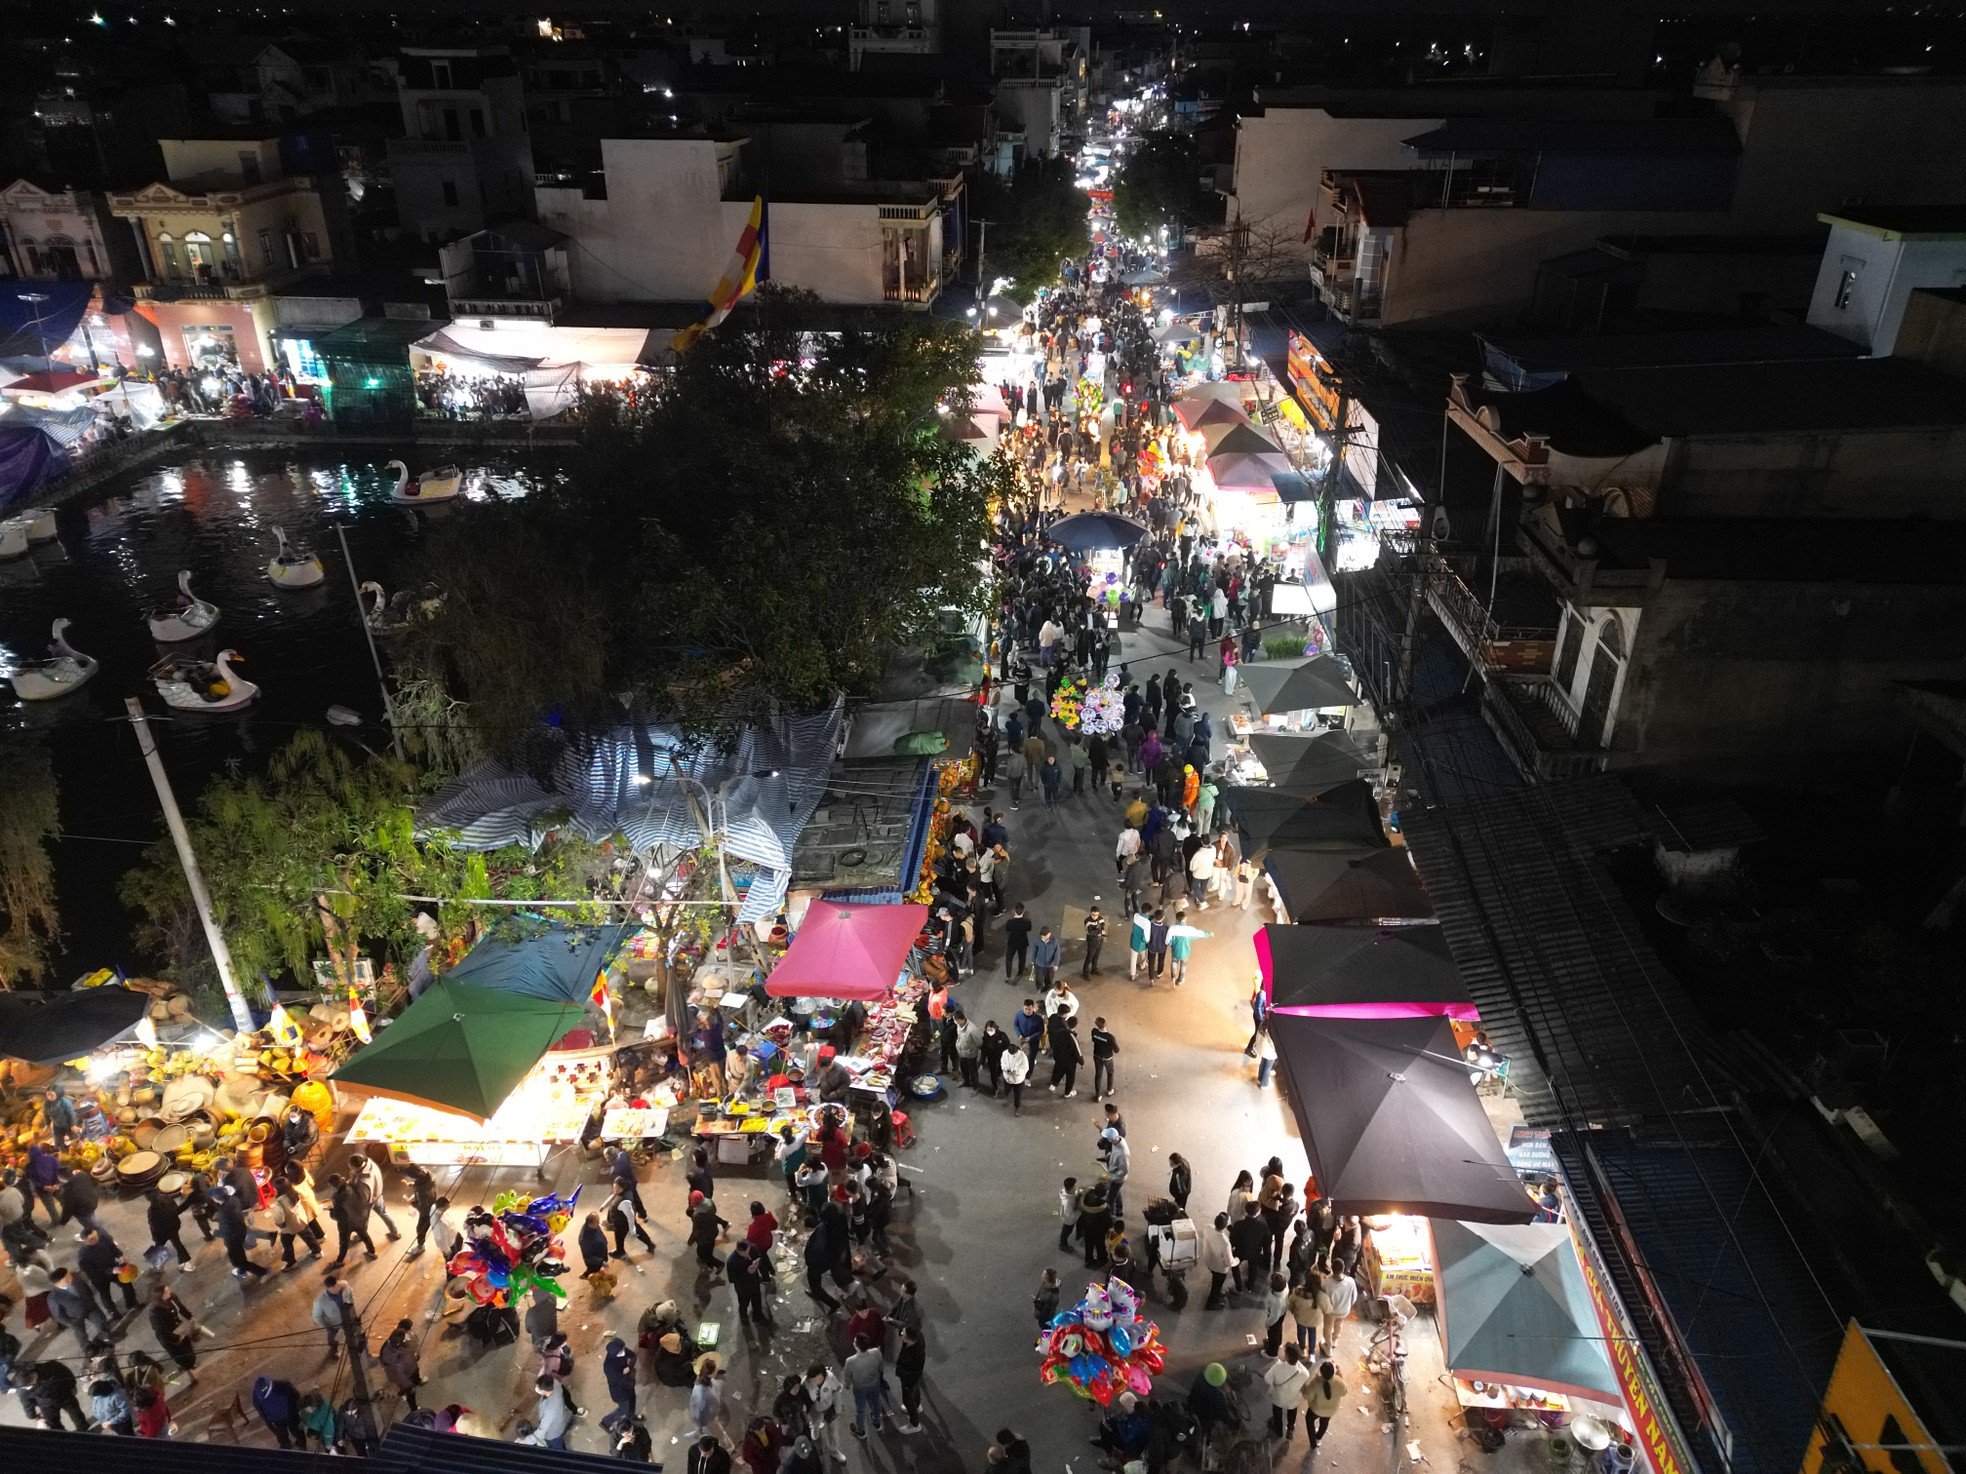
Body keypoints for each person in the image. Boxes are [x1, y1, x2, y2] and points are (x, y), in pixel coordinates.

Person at [46, 1266, 110, 1354]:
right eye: (67, 1277)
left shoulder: (75, 1279)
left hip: (90, 1307)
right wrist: (69, 1322)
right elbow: (57, 1314)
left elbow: (87, 1289)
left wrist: (91, 1301)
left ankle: (106, 1337)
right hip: (74, 1317)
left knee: (100, 1321)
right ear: (59, 1283)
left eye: (69, 1275)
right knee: (80, 1333)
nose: (70, 1277)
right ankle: (87, 1348)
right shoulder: (53, 1297)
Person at [78, 1225, 140, 1313]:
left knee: (127, 1284)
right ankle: (114, 1312)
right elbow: (93, 1272)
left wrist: (120, 1255)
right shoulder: (83, 1256)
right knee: (105, 1295)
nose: (97, 1238)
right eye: (93, 1238)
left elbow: (112, 1247)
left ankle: (131, 1303)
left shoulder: (102, 1238)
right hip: (100, 1278)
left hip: (114, 1268)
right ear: (85, 1241)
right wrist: (111, 1270)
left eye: (96, 1235)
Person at [148, 1283, 202, 1382]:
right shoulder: (155, 1313)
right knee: (181, 1356)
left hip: (179, 1330)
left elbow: (181, 1308)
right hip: (168, 1337)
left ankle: (188, 1365)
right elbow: (161, 1331)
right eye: (166, 1291)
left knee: (188, 1350)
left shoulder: (172, 1298)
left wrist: (190, 1317)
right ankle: (190, 1374)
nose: (170, 1291)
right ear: (161, 1296)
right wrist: (177, 1338)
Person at [324, 1172, 377, 1268]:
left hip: (345, 1223)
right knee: (364, 1235)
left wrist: (330, 1210)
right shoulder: (350, 1186)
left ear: (332, 1185)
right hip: (358, 1217)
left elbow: (336, 1215)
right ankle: (372, 1252)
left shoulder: (337, 1196)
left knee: (344, 1242)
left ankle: (339, 1261)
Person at [18, 1360, 87, 1431]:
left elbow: (67, 1374)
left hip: (65, 1395)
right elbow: (27, 1403)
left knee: (76, 1414)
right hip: (47, 1405)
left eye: (31, 1385)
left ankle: (83, 1429)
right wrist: (32, 1415)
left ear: (31, 1374)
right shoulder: (23, 1390)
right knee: (54, 1424)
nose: (30, 1388)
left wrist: (72, 1386)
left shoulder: (51, 1367)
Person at [843, 1335, 889, 1437]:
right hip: (874, 1384)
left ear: (857, 1346)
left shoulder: (850, 1361)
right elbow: (881, 1366)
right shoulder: (876, 1352)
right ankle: (877, 1422)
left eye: (854, 1342)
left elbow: (847, 1376)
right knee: (876, 1402)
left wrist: (846, 1385)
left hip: (860, 1388)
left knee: (860, 1408)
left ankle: (860, 1430)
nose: (853, 1343)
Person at [348, 1152, 401, 1242]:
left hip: (369, 1201)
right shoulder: (370, 1164)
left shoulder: (363, 1181)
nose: (349, 1167)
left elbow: (363, 1199)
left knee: (363, 1220)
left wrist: (351, 1186)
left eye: (350, 1166)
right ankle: (395, 1232)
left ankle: (362, 1235)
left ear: (356, 1166)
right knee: (384, 1213)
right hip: (378, 1193)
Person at [1264, 1343, 1311, 1442]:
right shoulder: (1305, 1373)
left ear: (1287, 1356)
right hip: (1293, 1400)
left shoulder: (1277, 1367)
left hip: (1278, 1398)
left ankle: (1279, 1431)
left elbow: (1267, 1379)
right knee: (1292, 1411)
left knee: (1277, 1412)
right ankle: (1290, 1429)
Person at [803, 1363, 848, 1466]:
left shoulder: (830, 1377)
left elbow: (836, 1392)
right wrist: (806, 1413)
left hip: (829, 1407)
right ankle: (815, 1433)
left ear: (824, 1375)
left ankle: (834, 1451)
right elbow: (803, 1399)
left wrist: (838, 1409)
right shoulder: (806, 1382)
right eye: (814, 1380)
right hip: (815, 1409)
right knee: (815, 1424)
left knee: (834, 1431)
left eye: (819, 1379)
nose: (816, 1382)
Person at [377, 1318, 423, 1411]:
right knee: (410, 1390)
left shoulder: (399, 1340)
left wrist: (414, 1356)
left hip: (409, 1368)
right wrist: (407, 1385)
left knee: (413, 1377)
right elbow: (396, 1371)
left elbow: (409, 1350)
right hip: (400, 1374)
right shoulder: (389, 1353)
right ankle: (413, 1408)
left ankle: (413, 1384)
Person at [253, 1375, 306, 1450]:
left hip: (291, 1415)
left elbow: (296, 1398)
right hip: (276, 1421)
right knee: (281, 1436)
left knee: (297, 1431)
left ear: (271, 1384)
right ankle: (286, 1446)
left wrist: (300, 1413)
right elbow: (261, 1411)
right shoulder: (256, 1396)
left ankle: (302, 1445)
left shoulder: (284, 1386)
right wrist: (270, 1425)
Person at [1317, 1260, 1358, 1353]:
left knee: (1327, 1328)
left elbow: (1322, 1298)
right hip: (1344, 1311)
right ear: (1343, 1269)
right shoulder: (1351, 1282)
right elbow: (1354, 1297)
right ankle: (1335, 1340)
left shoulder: (1325, 1282)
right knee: (1339, 1325)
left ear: (1331, 1268)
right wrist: (1348, 1305)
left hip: (1331, 1312)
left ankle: (1328, 1346)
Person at [601, 1335, 639, 1433]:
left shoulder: (621, 1351)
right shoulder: (609, 1367)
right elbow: (621, 1381)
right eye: (621, 1351)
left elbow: (633, 1355)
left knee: (633, 1400)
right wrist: (631, 1377)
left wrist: (629, 1367)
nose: (624, 1351)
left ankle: (630, 1419)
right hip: (620, 1393)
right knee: (623, 1409)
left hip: (628, 1386)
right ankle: (606, 1422)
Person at [1305, 1361, 1347, 1446]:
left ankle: (1313, 1443)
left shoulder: (1316, 1382)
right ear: (1333, 1372)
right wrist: (1340, 1375)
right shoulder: (1339, 1381)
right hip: (1331, 1410)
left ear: (1321, 1372)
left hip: (1316, 1409)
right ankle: (1319, 1437)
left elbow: (1308, 1396)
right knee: (1325, 1422)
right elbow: (1344, 1392)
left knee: (1309, 1419)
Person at [313, 1274, 356, 1357]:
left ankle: (357, 1346)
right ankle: (333, 1347)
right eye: (334, 1288)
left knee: (354, 1333)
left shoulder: (344, 1284)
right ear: (328, 1289)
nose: (338, 1289)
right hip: (333, 1324)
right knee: (331, 1336)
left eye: (338, 1285)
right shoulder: (319, 1301)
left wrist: (350, 1302)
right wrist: (327, 1326)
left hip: (348, 1318)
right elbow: (317, 1317)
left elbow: (350, 1293)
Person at [894, 1323, 926, 1433]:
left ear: (909, 1340)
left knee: (907, 1400)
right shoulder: (918, 1336)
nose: (901, 1333)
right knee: (915, 1391)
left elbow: (913, 1373)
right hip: (914, 1379)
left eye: (904, 1334)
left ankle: (915, 1424)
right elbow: (903, 1325)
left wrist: (899, 1372)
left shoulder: (914, 1355)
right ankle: (917, 1406)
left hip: (909, 1380)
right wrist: (892, 1320)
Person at [1201, 1212, 1237, 1307]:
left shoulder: (1207, 1227)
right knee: (1217, 1285)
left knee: (1215, 1280)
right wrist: (1237, 1260)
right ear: (1225, 1226)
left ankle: (1215, 1294)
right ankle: (1212, 1303)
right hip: (1219, 1268)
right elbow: (1229, 1261)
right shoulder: (1225, 1242)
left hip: (1209, 1261)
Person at [1047, 1009, 1082, 1098]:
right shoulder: (1073, 1038)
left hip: (1059, 1057)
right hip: (1069, 1062)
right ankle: (1067, 1093)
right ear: (1076, 1026)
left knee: (1058, 1070)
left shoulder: (1060, 1032)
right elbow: (1078, 1053)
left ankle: (1053, 1084)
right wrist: (1082, 1062)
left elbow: (1055, 1043)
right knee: (1070, 1077)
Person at [1287, 1277, 1321, 1355]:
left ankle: (1302, 1349)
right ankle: (1311, 1353)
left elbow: (1291, 1302)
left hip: (1300, 1318)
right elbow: (1327, 1308)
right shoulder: (1319, 1294)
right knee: (1312, 1333)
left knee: (1301, 1333)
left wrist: (1292, 1310)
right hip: (1313, 1319)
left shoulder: (1298, 1291)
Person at [1089, 1016, 1118, 1100]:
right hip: (1108, 1058)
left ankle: (1098, 1095)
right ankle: (1109, 1090)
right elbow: (1117, 1050)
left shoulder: (1094, 1032)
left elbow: (1093, 1040)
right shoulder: (1110, 1037)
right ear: (1106, 1024)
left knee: (1098, 1074)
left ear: (1096, 1024)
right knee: (1110, 1073)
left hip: (1097, 1056)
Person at [1000, 1036, 1030, 1115]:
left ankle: (1017, 1108)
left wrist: (1016, 1072)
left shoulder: (1022, 1055)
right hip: (1008, 1078)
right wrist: (1006, 1070)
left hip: (1018, 1080)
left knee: (1017, 1095)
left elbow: (1025, 1068)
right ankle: (1006, 1096)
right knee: (1006, 1090)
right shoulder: (1005, 1053)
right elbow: (1003, 1063)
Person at [1003, 905, 1032, 979]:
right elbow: (1029, 928)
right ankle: (1020, 972)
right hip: (1022, 942)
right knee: (1022, 958)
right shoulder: (1027, 922)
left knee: (1009, 958)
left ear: (1015, 911)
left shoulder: (1010, 922)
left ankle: (1008, 976)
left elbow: (1007, 929)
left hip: (1012, 943)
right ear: (1023, 912)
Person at [1081, 905, 1107, 976]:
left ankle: (1094, 969)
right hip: (1092, 941)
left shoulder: (1101, 919)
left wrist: (1100, 932)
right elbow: (1091, 932)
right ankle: (1085, 972)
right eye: (1093, 915)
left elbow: (1102, 927)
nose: (1095, 916)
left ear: (1098, 913)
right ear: (1090, 913)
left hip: (1099, 940)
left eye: (1096, 915)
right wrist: (1100, 932)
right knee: (1089, 957)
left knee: (1096, 956)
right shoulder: (1087, 921)